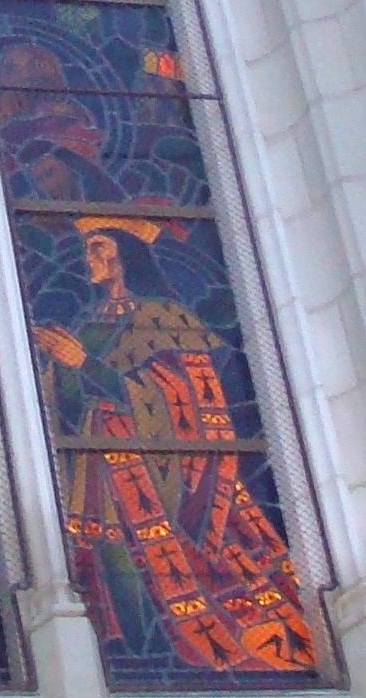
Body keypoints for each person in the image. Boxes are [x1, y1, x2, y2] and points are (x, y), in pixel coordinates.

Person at [32, 214, 316, 674]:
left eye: (100, 248)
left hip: (159, 476)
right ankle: (129, 653)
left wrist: (84, 363)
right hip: (95, 469)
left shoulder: (165, 319)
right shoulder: (88, 323)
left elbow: (182, 400)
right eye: (88, 250)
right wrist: (61, 367)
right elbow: (66, 407)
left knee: (152, 565)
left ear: (127, 254)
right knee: (111, 562)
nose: (90, 259)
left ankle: (162, 661)